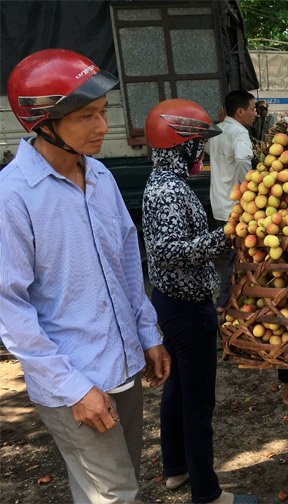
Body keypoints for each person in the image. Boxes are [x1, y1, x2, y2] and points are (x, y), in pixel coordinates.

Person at [0, 48, 171, 503]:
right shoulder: (13, 198)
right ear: (41, 122)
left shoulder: (99, 176)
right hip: (75, 379)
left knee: (117, 483)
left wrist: (147, 332)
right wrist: (73, 388)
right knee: (114, 494)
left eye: (103, 112)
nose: (102, 127)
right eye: (85, 116)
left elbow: (127, 263)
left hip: (124, 365)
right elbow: (9, 307)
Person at [142, 99, 257, 504]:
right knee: (198, 402)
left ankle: (175, 469)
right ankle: (208, 493)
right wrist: (226, 236)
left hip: (173, 305)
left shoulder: (164, 184)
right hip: (187, 311)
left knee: (176, 389)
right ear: (183, 145)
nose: (202, 152)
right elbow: (170, 250)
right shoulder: (168, 191)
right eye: (198, 144)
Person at [207, 90, 256, 313]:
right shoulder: (239, 132)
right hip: (234, 205)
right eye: (252, 109)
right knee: (234, 256)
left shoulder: (217, 130)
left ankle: (229, 298)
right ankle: (223, 301)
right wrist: (248, 188)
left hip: (218, 202)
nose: (255, 114)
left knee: (228, 252)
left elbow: (208, 149)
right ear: (239, 111)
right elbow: (244, 158)